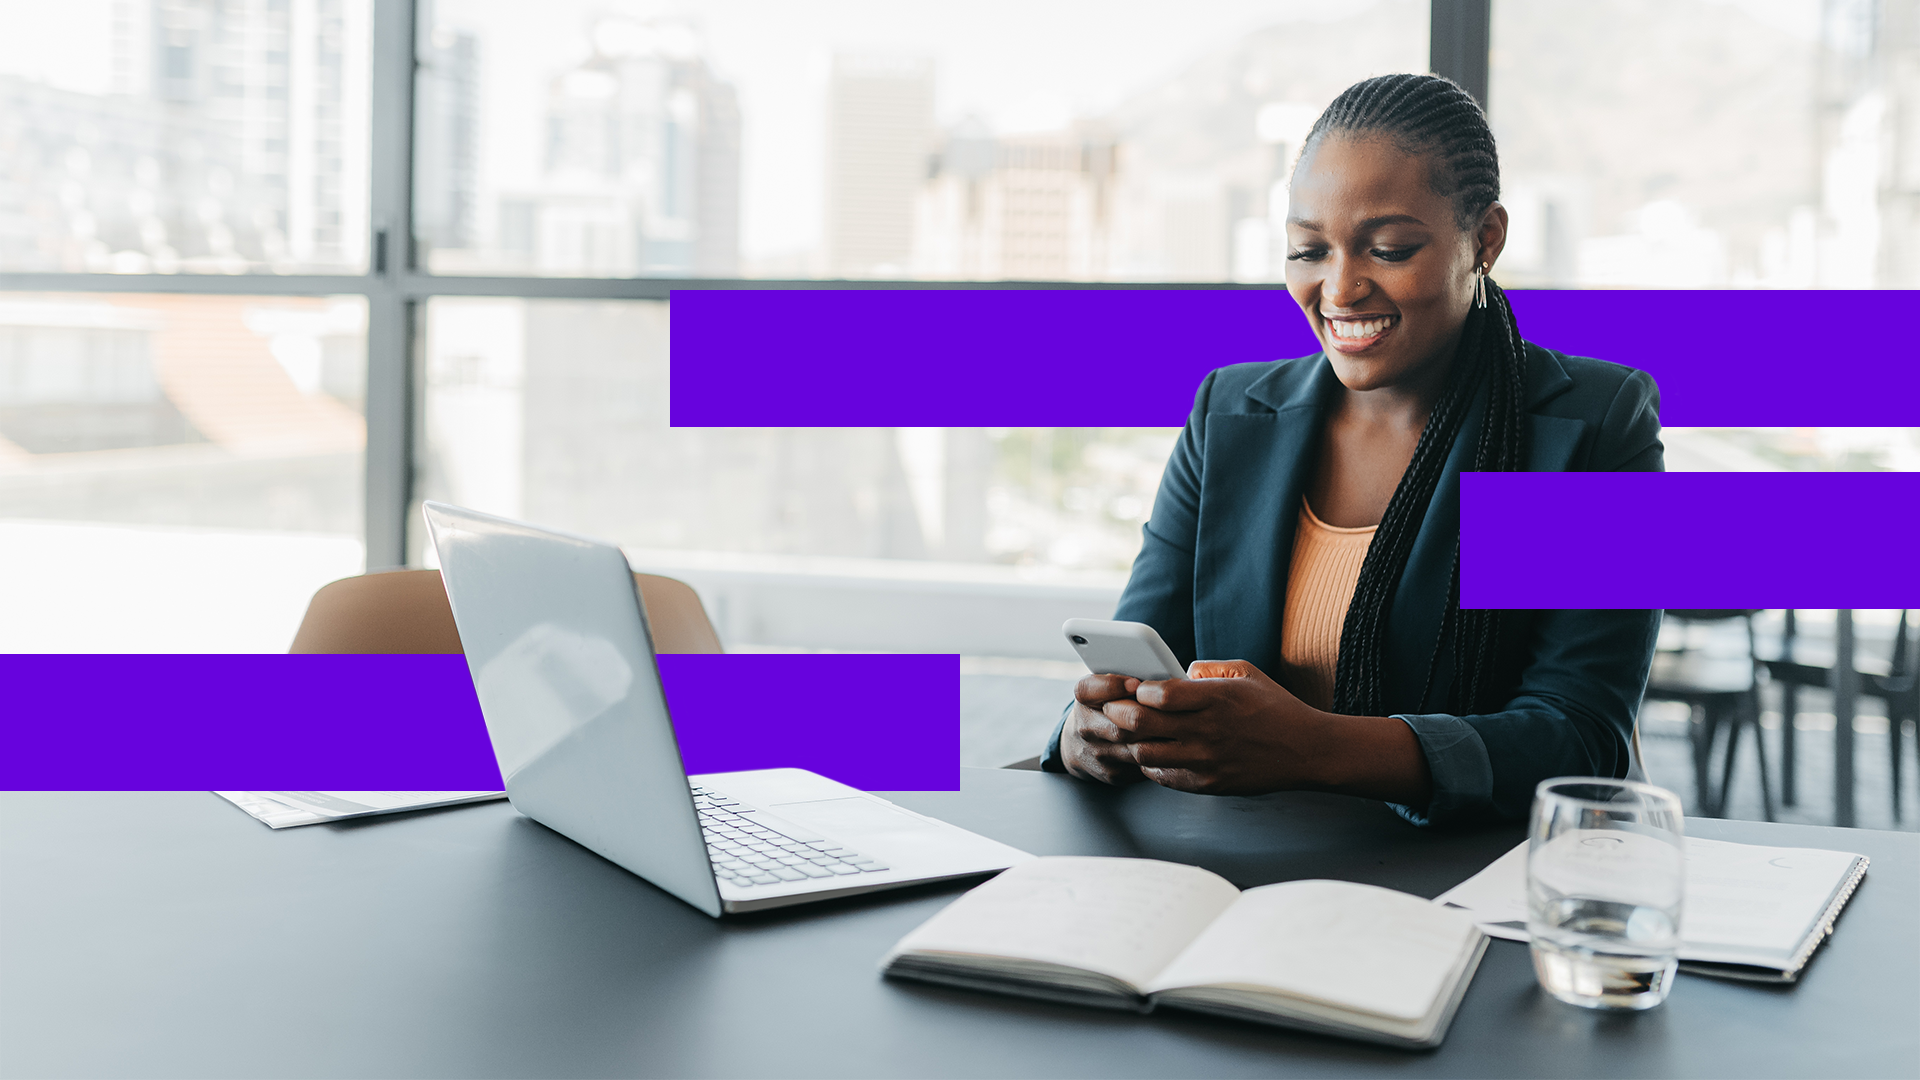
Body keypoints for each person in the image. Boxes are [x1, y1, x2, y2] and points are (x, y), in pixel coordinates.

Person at [1040, 73, 1663, 826]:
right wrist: (1091, 732)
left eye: (1389, 249)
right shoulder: (1233, 414)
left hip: (1464, 880)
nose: (1340, 289)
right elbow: (1146, 657)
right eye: (1309, 250)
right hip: (1237, 869)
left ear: (1485, 240)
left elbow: (1577, 735)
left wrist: (1315, 748)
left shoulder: (1583, 427)